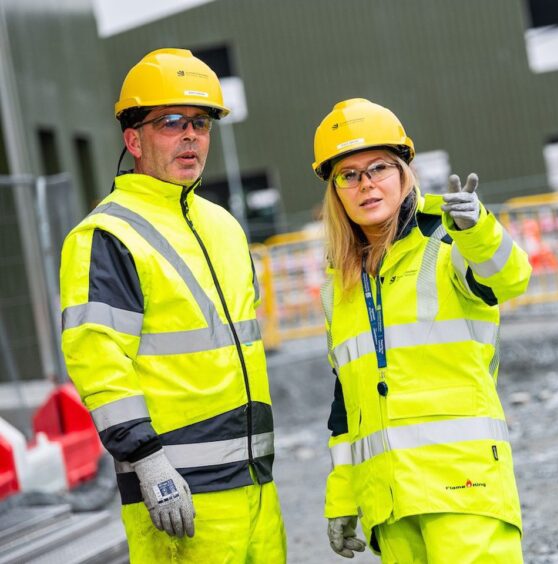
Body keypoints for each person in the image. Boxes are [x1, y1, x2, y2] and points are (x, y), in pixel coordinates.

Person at [59, 48, 286, 562]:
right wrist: (149, 463)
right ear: (133, 139)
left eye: (200, 123)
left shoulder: (223, 226)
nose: (190, 136)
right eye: (171, 122)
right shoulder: (107, 235)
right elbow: (98, 359)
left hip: (254, 485)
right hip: (177, 494)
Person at [312, 98, 531, 562]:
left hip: (464, 492)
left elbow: (509, 278)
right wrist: (343, 498)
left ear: (404, 172)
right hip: (390, 506)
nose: (366, 184)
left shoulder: (448, 239)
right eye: (349, 175)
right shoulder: (340, 286)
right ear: (335, 191)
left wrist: (478, 230)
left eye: (379, 168)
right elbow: (346, 406)